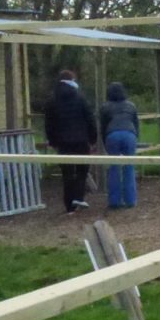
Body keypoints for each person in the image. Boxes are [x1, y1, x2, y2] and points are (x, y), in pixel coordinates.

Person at [43, 68, 97, 212]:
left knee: (67, 173)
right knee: (82, 170)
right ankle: (78, 197)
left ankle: (69, 206)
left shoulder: (52, 100)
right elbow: (90, 119)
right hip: (81, 140)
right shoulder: (80, 98)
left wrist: (52, 141)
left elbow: (49, 124)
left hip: (63, 142)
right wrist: (93, 139)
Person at [99, 81, 140, 210]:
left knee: (114, 168)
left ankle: (114, 201)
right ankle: (131, 200)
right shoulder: (131, 105)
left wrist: (106, 142)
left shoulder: (105, 107)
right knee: (129, 167)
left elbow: (103, 126)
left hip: (112, 135)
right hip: (129, 134)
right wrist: (135, 137)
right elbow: (136, 124)